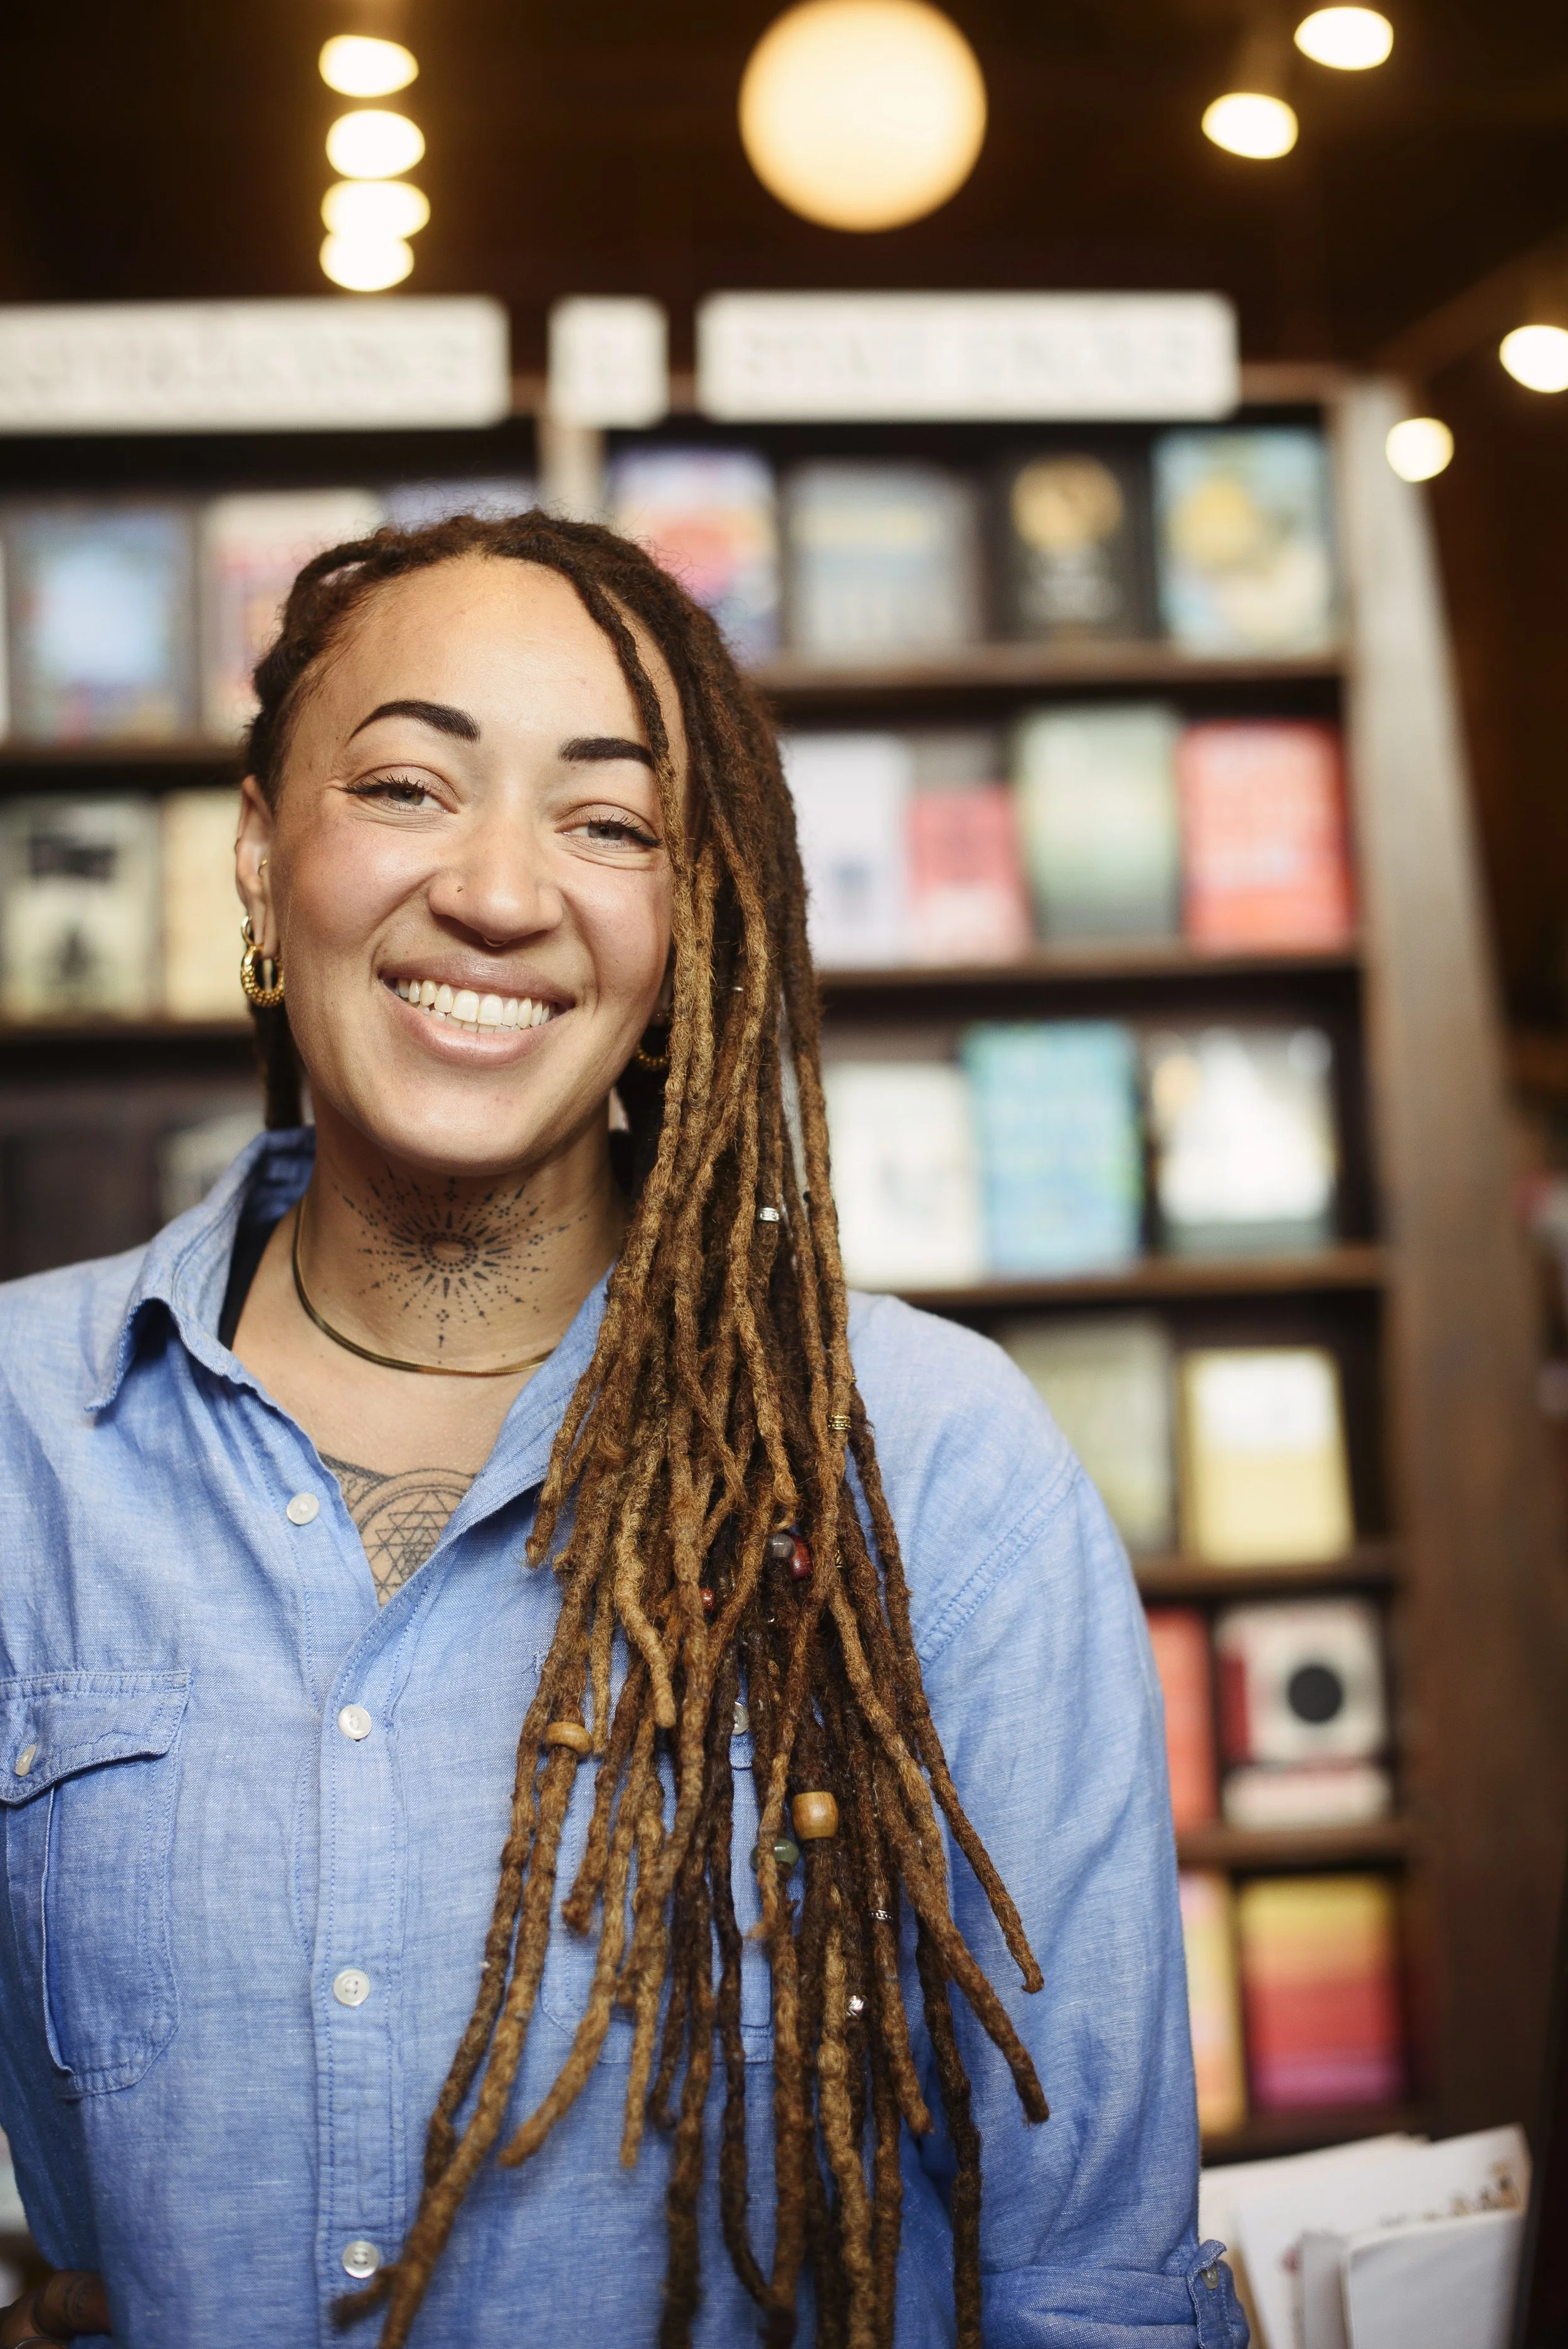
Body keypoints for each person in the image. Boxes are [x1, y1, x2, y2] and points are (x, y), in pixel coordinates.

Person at [0, 512, 1246, 2349]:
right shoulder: (27, 1433)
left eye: (609, 822)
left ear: (692, 922)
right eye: (411, 787)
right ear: (261, 859)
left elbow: (1086, 2294)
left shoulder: (929, 1461)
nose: (502, 893)